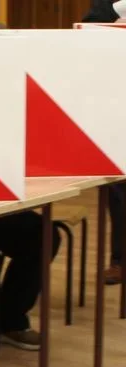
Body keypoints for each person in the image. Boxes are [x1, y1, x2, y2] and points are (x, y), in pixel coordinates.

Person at [82, 0, 126, 285]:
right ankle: (120, 260)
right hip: (117, 101)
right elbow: (88, 28)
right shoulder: (106, 3)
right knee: (119, 193)